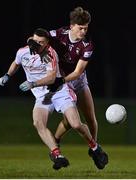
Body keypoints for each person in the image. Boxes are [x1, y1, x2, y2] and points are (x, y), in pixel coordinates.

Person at [0, 28, 105, 170]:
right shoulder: (23, 51)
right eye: (35, 41)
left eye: (41, 42)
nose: (37, 44)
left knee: (75, 124)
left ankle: (95, 147)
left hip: (59, 92)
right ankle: (57, 155)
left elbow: (52, 78)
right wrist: (7, 75)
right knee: (38, 123)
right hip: (42, 96)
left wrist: (33, 83)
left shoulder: (51, 54)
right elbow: (16, 63)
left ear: (47, 43)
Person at [46, 6, 108, 169]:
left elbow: (78, 71)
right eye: (80, 28)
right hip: (62, 83)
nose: (83, 31)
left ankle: (93, 148)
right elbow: (41, 37)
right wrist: (33, 42)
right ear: (71, 25)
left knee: (90, 118)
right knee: (70, 120)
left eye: (86, 28)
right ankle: (56, 142)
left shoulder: (87, 45)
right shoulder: (59, 34)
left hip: (77, 81)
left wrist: (60, 80)